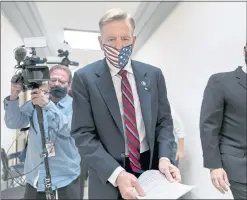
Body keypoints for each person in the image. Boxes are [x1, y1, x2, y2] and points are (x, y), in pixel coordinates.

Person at [71, 8, 181, 199]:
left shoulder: (153, 75)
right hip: (108, 172)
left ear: (134, 40)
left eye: (125, 38)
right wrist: (117, 174)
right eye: (111, 39)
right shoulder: (84, 78)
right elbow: (83, 134)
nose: (119, 45)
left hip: (150, 169)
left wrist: (165, 158)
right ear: (100, 42)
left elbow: (164, 122)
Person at [4, 65, 81, 199]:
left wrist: (48, 106)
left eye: (62, 81)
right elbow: (13, 122)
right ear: (47, 82)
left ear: (69, 86)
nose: (56, 83)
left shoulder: (77, 106)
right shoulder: (35, 103)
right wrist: (14, 95)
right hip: (35, 179)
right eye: (53, 80)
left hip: (64, 179)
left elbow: (69, 129)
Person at [200, 42, 247, 199]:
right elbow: (209, 125)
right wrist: (214, 165)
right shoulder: (220, 82)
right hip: (239, 166)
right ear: (245, 50)